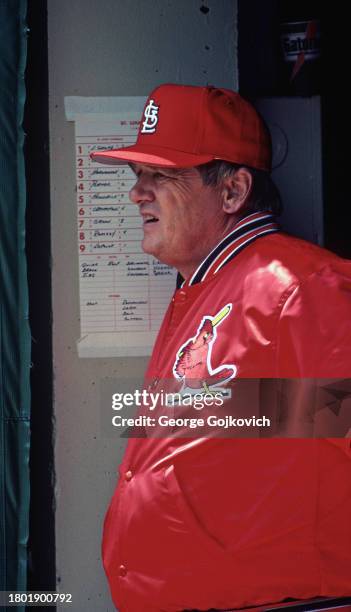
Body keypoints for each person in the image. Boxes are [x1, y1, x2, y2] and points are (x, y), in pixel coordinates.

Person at [91, 84, 351, 612]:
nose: (138, 193)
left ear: (232, 192)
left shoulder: (299, 287)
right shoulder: (205, 285)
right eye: (137, 176)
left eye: (161, 176)